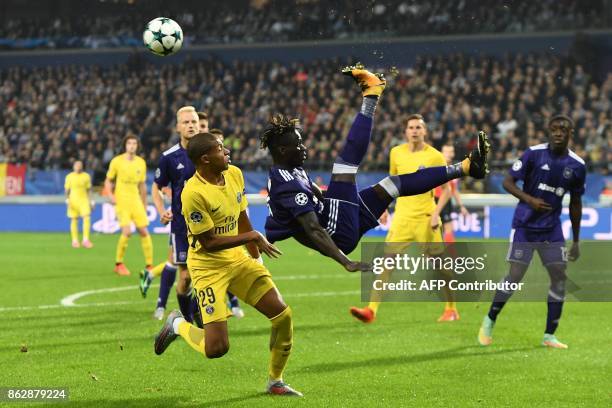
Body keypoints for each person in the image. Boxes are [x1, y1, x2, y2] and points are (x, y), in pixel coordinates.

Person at [261, 64, 490, 274]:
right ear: (282, 150)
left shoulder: (293, 172)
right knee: (344, 165)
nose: (304, 148)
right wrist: (345, 261)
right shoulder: (286, 184)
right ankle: (371, 93)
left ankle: (467, 167)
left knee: (392, 185)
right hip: (335, 232)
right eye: (298, 145)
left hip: (339, 223)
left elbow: (313, 198)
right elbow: (313, 229)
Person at [154, 132, 302, 397]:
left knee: (283, 315)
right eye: (221, 149)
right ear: (205, 159)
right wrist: (253, 237)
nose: (227, 152)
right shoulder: (193, 193)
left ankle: (275, 381)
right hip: (208, 267)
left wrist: (254, 255)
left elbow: (241, 214)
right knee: (216, 349)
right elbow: (209, 242)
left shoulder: (234, 173)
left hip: (239, 259)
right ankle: (177, 325)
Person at [478, 115, 585, 349]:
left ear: (570, 134)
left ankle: (549, 335)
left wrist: (576, 240)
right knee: (515, 276)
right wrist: (530, 200)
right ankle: (489, 320)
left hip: (552, 229)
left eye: (563, 130)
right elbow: (508, 182)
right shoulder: (533, 154)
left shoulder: (577, 166)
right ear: (548, 131)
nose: (558, 133)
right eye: (554, 129)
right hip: (525, 226)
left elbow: (576, 203)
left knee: (559, 277)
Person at [350, 114, 459, 324]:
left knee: (438, 266)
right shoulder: (396, 153)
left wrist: (436, 214)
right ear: (406, 131)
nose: (415, 130)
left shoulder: (435, 156)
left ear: (425, 131)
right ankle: (371, 310)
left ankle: (451, 308)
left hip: (426, 218)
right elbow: (392, 184)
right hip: (402, 217)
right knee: (387, 263)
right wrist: (383, 208)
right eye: (411, 127)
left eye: (419, 127)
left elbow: (446, 190)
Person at [104, 134, 153, 276]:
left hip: (136, 201)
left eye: (134, 143)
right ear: (125, 145)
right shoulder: (116, 162)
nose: (132, 146)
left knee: (144, 231)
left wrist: (144, 204)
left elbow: (142, 186)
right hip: (121, 201)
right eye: (129, 143)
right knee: (127, 232)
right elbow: (108, 181)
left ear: (137, 146)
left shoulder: (141, 163)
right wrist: (111, 196)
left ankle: (149, 265)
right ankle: (118, 264)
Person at [436, 144, 470, 243]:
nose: (449, 154)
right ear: (441, 153)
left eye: (451, 151)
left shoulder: (455, 168)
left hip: (447, 202)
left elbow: (454, 190)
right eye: (446, 151)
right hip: (434, 201)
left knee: (448, 229)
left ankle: (451, 256)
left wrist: (461, 206)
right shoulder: (435, 166)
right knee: (435, 230)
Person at [64, 160, 94, 248]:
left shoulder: (86, 176)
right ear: (73, 166)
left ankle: (85, 240)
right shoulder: (69, 177)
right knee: (74, 219)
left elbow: (89, 190)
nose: (78, 167)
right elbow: (67, 190)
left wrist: (91, 201)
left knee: (87, 218)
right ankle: (75, 241)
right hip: (73, 200)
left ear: (82, 166)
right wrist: (67, 200)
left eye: (79, 165)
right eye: (76, 165)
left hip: (84, 200)